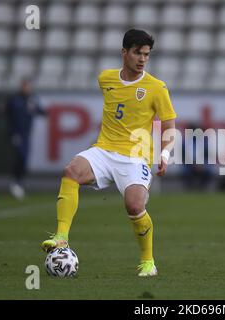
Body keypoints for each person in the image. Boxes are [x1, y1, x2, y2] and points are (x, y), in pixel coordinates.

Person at [41, 29, 177, 277]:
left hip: (136, 157)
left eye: (146, 54)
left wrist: (165, 155)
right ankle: (61, 237)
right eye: (138, 53)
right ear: (124, 52)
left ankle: (148, 262)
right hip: (104, 150)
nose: (143, 59)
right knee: (71, 171)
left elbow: (169, 127)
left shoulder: (157, 88)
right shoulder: (106, 79)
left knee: (134, 205)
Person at [6, 78, 46, 199]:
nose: (27, 88)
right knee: (20, 157)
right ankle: (15, 182)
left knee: (24, 159)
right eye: (25, 86)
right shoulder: (14, 99)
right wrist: (12, 133)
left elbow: (42, 112)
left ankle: (19, 182)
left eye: (28, 86)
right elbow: (8, 115)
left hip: (27, 134)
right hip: (17, 133)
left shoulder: (32, 99)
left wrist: (36, 108)